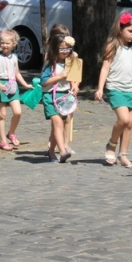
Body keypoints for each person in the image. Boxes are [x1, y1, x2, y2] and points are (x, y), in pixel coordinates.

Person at [96, 12, 132, 169]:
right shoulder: (112, 46)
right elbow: (105, 68)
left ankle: (124, 155)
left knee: (129, 124)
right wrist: (100, 88)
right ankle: (111, 145)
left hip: (130, 89)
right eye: (130, 31)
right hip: (115, 88)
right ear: (120, 29)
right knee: (123, 119)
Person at [0, 30, 32, 151]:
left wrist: (25, 84)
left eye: (7, 43)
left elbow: (17, 73)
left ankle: (11, 133)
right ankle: (3, 141)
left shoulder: (14, 57)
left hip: (12, 85)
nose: (4, 45)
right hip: (0, 86)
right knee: (2, 115)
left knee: (18, 112)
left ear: (13, 44)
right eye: (2, 43)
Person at [41, 33, 77, 163]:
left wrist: (74, 86)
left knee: (59, 125)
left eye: (67, 48)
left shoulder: (70, 62)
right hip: (50, 96)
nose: (65, 52)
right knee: (57, 122)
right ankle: (62, 151)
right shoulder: (50, 64)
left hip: (64, 96)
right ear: (55, 49)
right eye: (62, 49)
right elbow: (44, 82)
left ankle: (51, 152)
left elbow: (73, 77)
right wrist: (60, 76)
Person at [47, 24, 80, 155]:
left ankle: (65, 144)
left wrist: (76, 85)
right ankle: (53, 143)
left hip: (67, 92)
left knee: (68, 119)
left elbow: (75, 73)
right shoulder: (50, 57)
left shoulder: (72, 56)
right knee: (57, 120)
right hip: (55, 92)